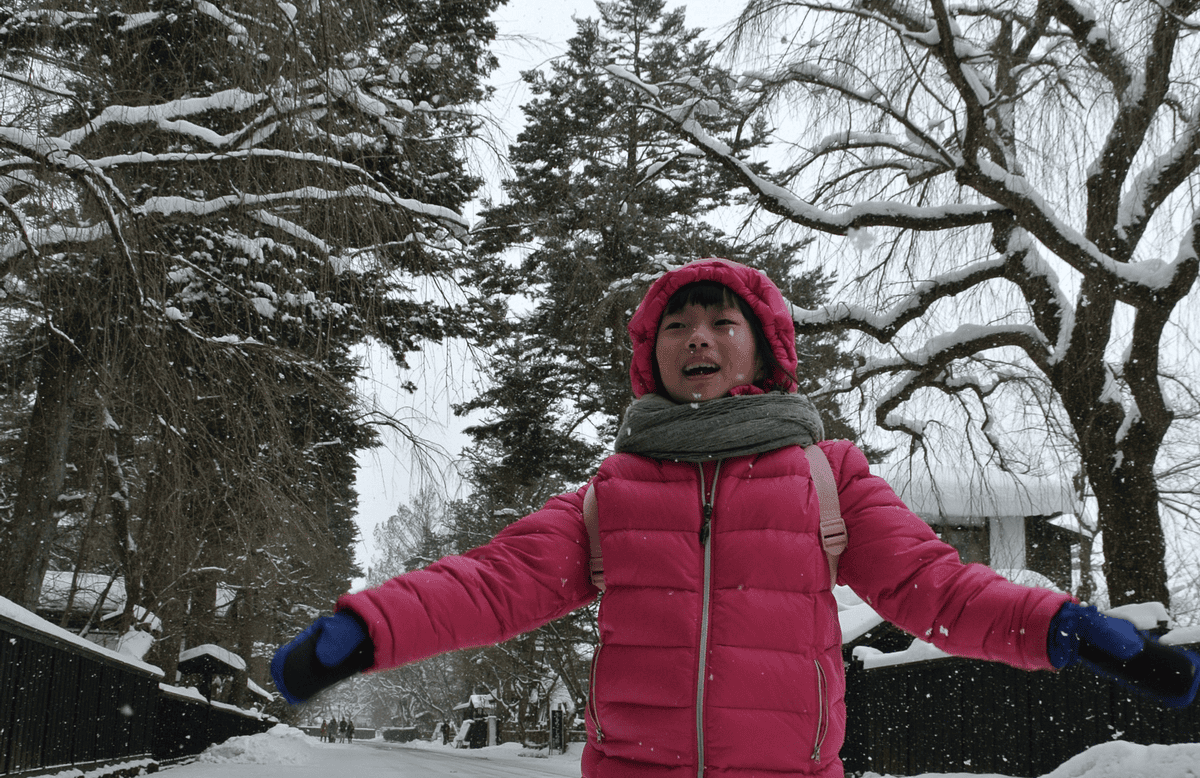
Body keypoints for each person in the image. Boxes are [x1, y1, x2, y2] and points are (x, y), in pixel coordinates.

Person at [272, 258, 1200, 777]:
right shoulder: (612, 492)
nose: (699, 338)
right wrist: (369, 625)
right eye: (677, 326)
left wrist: (1073, 629)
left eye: (721, 322)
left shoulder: (821, 473)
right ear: (654, 355)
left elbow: (936, 587)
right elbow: (498, 580)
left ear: (762, 349)